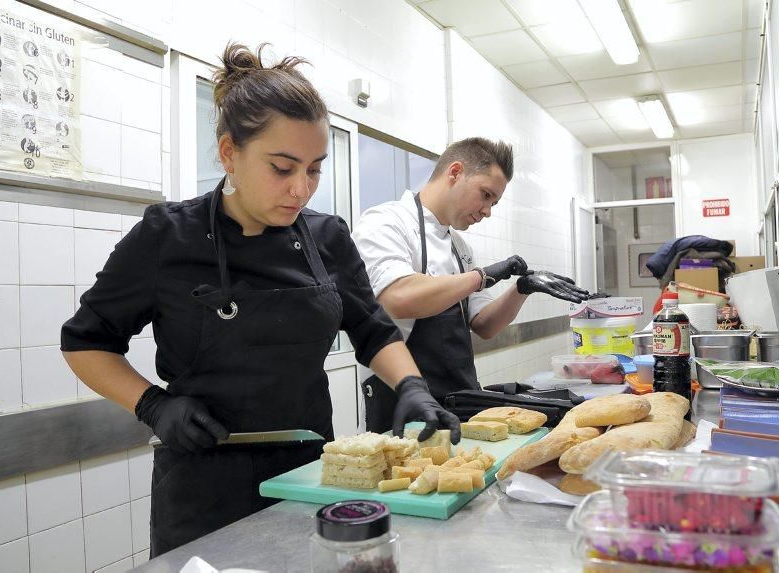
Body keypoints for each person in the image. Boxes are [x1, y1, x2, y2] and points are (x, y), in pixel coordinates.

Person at [60, 43, 459, 557]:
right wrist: (153, 405)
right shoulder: (168, 236)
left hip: (309, 473)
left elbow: (373, 330)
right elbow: (85, 342)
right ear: (230, 153)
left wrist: (411, 386)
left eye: (314, 169)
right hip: (203, 482)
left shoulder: (327, 238)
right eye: (282, 167)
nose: (301, 189)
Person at [352, 137, 590, 433]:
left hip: (460, 398)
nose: (488, 210)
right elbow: (398, 298)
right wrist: (482, 277)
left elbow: (484, 325)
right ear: (455, 172)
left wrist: (521, 289)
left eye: (494, 202)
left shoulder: (458, 246)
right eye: (485, 195)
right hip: (402, 400)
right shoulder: (386, 222)